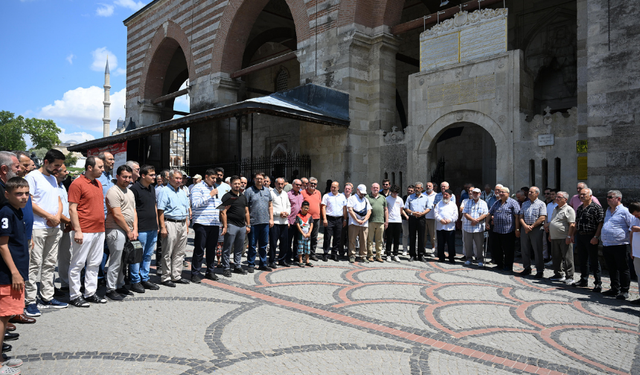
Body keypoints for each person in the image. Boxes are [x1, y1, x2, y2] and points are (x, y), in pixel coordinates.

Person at [24, 149, 67, 316]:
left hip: (53, 227)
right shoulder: (32, 177)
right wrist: (49, 216)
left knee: (49, 263)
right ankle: (30, 300)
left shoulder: (52, 179)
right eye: (56, 165)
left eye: (60, 166)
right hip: (38, 227)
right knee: (34, 264)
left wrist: (57, 217)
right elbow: (30, 201)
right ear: (46, 162)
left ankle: (47, 296)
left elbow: (57, 200)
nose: (58, 169)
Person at [0, 177, 31, 372]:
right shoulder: (6, 212)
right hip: (8, 275)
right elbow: (2, 245)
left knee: (6, 316)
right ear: (7, 194)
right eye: (19, 194)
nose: (24, 197)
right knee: (3, 318)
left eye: (26, 193)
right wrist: (15, 273)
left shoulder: (16, 212)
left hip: (15, 273)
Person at [68, 156, 108, 307]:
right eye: (100, 167)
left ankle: (90, 292)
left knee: (95, 263)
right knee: (78, 263)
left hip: (99, 229)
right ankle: (74, 295)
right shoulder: (77, 183)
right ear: (90, 168)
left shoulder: (97, 183)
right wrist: (77, 230)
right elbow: (72, 208)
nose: (103, 170)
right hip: (84, 230)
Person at [104, 165, 138, 300]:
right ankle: (110, 288)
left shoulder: (130, 192)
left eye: (129, 177)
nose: (127, 179)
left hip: (128, 230)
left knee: (124, 259)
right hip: (116, 229)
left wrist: (135, 229)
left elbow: (134, 211)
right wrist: (129, 230)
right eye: (124, 177)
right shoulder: (113, 191)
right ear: (117, 177)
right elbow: (117, 214)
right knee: (116, 260)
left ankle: (120, 284)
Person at [157, 169, 191, 287]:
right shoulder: (164, 191)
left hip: (182, 223)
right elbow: (160, 210)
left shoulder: (182, 192)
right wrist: (162, 227)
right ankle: (165, 276)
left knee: (180, 251)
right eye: (176, 178)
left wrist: (186, 225)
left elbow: (186, 210)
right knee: (168, 251)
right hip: (170, 223)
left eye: (180, 179)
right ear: (169, 178)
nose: (179, 181)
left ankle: (176, 275)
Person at [129, 165, 160, 291]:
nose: (154, 177)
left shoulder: (152, 188)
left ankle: (145, 278)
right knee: (137, 256)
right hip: (140, 228)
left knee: (148, 255)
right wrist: (134, 229)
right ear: (143, 175)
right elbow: (132, 210)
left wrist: (157, 224)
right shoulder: (134, 189)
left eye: (154, 174)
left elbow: (154, 207)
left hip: (152, 227)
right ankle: (135, 280)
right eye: (151, 175)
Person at [190, 169, 222, 283]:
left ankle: (210, 271)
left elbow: (214, 204)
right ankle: (195, 273)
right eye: (212, 178)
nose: (214, 180)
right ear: (206, 176)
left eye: (216, 178)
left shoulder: (213, 188)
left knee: (211, 249)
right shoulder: (197, 187)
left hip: (213, 223)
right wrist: (210, 195)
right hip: (202, 223)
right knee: (199, 249)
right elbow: (195, 204)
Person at [601, 190, 634, 300]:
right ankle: (615, 288)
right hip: (607, 244)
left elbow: (631, 227)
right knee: (611, 268)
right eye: (607, 197)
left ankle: (624, 290)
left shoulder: (625, 211)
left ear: (618, 199)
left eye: (610, 197)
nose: (608, 199)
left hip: (620, 244)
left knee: (623, 268)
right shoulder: (608, 210)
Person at [574, 188, 604, 291]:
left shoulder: (596, 208)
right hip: (581, 236)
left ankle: (598, 283)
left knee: (594, 260)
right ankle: (583, 280)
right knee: (582, 259)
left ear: (590, 196)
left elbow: (600, 223)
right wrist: (573, 235)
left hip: (591, 236)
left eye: (584, 195)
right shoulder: (579, 208)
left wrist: (596, 237)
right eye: (580, 195)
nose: (581, 196)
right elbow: (576, 222)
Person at [219, 176, 250, 277]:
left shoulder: (242, 196)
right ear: (231, 184)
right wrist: (225, 226)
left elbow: (246, 212)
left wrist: (248, 224)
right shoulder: (227, 197)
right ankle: (226, 267)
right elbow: (222, 212)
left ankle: (237, 266)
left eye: (239, 183)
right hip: (231, 224)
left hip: (242, 226)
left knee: (239, 247)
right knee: (228, 247)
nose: (237, 185)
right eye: (235, 183)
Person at [244, 172, 273, 272]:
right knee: (252, 245)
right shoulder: (249, 191)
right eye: (257, 178)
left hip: (265, 222)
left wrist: (271, 219)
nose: (259, 180)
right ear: (254, 179)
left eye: (261, 179)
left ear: (264, 180)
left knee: (263, 244)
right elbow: (246, 207)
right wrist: (247, 223)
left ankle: (263, 263)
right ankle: (251, 264)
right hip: (253, 222)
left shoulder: (267, 191)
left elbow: (270, 205)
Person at [487, 186, 520, 272]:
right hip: (497, 230)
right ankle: (499, 264)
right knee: (497, 249)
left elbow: (517, 216)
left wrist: (517, 229)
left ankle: (508, 266)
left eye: (503, 192)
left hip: (508, 231)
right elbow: (490, 213)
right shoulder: (497, 202)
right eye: (500, 192)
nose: (500, 193)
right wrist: (487, 222)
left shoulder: (513, 203)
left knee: (508, 250)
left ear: (508, 194)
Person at [545, 191, 576, 285]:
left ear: (565, 199)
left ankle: (569, 276)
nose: (556, 198)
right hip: (554, 237)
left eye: (559, 197)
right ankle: (558, 274)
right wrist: (550, 234)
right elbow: (553, 221)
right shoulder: (555, 209)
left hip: (564, 237)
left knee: (567, 258)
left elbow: (572, 224)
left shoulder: (569, 209)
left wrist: (569, 236)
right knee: (555, 257)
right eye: (556, 197)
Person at [518, 187, 547, 278]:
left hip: (536, 229)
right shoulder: (525, 203)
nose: (529, 193)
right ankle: (527, 268)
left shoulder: (541, 204)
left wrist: (532, 226)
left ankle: (539, 270)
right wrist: (525, 226)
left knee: (537, 250)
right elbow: (520, 216)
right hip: (525, 228)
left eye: (531, 192)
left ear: (537, 194)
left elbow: (542, 217)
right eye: (529, 192)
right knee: (524, 249)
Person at [53, 164, 72, 295]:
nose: (67, 173)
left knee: (66, 255)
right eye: (64, 171)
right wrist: (69, 221)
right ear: (56, 173)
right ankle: (50, 287)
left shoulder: (62, 185)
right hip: (55, 224)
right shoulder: (52, 187)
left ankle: (65, 283)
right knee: (52, 257)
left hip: (65, 224)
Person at [462, 188, 489, 267]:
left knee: (479, 245)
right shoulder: (468, 202)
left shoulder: (483, 203)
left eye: (476, 193)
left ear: (480, 194)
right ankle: (468, 259)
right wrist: (472, 220)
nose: (475, 194)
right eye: (473, 193)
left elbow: (485, 214)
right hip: (468, 227)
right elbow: (465, 213)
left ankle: (480, 259)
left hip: (479, 228)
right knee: (468, 245)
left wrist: (477, 220)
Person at [321, 181, 347, 262]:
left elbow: (344, 209)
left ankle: (334, 254)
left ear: (338, 188)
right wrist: (324, 219)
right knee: (327, 237)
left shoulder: (342, 196)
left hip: (339, 219)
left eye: (335, 187)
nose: (333, 188)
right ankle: (325, 253)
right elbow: (323, 207)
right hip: (329, 218)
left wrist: (345, 219)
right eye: (332, 187)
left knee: (337, 237)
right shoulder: (326, 196)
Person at [404, 182, 430, 262]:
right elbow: (406, 208)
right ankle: (412, 255)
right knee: (412, 236)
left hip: (421, 218)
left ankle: (421, 255)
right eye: (416, 188)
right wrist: (412, 213)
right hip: (412, 218)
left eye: (418, 188)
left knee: (421, 236)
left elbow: (429, 208)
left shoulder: (425, 198)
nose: (416, 189)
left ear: (422, 189)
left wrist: (422, 213)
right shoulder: (410, 197)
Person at [347, 184, 371, 263]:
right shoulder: (352, 198)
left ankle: (363, 255)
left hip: (364, 224)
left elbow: (369, 211)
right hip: (354, 223)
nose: (362, 195)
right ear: (357, 190)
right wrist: (357, 220)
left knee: (363, 240)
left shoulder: (366, 199)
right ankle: (352, 255)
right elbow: (350, 210)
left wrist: (364, 220)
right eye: (361, 193)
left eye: (364, 193)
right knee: (352, 240)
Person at [270, 178, 291, 268]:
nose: (280, 186)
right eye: (279, 184)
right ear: (275, 184)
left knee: (284, 243)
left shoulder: (285, 194)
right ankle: (271, 261)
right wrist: (279, 213)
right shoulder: (271, 193)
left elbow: (288, 205)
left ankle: (282, 260)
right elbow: (269, 208)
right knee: (273, 243)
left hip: (284, 222)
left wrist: (287, 213)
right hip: (275, 222)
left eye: (282, 184)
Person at [434, 189, 458, 263]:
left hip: (450, 227)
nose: (445, 196)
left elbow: (456, 215)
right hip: (440, 227)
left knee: (451, 243)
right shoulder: (439, 204)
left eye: (446, 195)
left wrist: (449, 220)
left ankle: (451, 258)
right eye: (444, 194)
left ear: (450, 196)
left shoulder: (453, 205)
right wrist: (440, 220)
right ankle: (441, 257)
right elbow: (436, 213)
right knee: (440, 243)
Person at [301, 177, 322, 261]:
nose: (313, 185)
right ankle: (303, 254)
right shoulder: (302, 193)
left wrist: (321, 217)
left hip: (316, 218)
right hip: (306, 218)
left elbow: (320, 205)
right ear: (308, 184)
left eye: (315, 184)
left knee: (314, 237)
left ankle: (312, 254)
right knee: (305, 237)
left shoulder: (318, 193)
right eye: (311, 183)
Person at [366, 183, 388, 262]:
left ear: (379, 189)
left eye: (377, 188)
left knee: (379, 240)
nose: (375, 189)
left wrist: (386, 221)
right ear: (371, 188)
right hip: (370, 221)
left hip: (381, 221)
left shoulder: (382, 198)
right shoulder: (367, 197)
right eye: (374, 188)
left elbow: (386, 209)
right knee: (370, 240)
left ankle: (378, 255)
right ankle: (370, 255)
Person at [285, 179, 304, 265]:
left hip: (298, 222)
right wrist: (287, 220)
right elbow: (285, 207)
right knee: (288, 241)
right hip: (290, 221)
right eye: (297, 185)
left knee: (297, 240)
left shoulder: (301, 195)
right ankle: (288, 257)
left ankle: (296, 256)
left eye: (300, 185)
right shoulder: (288, 194)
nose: (298, 186)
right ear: (293, 185)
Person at [386, 185, 406, 262]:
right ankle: (388, 254)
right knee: (389, 239)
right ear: (391, 192)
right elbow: (386, 210)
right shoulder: (387, 199)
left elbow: (401, 210)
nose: (395, 194)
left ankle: (395, 254)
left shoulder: (400, 199)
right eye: (394, 193)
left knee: (397, 239)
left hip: (398, 221)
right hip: (390, 221)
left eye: (396, 193)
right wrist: (386, 220)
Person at [295, 201, 314, 267]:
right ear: (301, 208)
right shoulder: (298, 216)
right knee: (300, 248)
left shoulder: (309, 216)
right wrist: (302, 233)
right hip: (301, 236)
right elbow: (297, 225)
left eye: (307, 208)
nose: (306, 209)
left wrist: (309, 233)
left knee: (307, 249)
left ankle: (307, 261)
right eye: (305, 208)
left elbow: (311, 225)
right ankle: (300, 260)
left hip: (308, 236)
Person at [629, 203, 640, 304]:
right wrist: (632, 249)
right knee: (639, 276)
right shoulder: (634, 218)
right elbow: (631, 233)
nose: (635, 216)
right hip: (637, 252)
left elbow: (636, 229)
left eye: (637, 214)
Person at [423, 182, 437, 255]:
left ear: (433, 187)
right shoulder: (422, 195)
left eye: (429, 186)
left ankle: (433, 248)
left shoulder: (436, 195)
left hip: (432, 217)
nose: (428, 187)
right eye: (427, 186)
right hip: (423, 217)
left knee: (433, 235)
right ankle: (423, 248)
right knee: (423, 234)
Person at [401, 185, 414, 256]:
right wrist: (406, 216)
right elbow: (402, 208)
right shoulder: (404, 198)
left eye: (411, 191)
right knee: (405, 234)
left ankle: (413, 249)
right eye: (409, 190)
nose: (410, 192)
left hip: (414, 219)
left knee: (414, 235)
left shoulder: (415, 198)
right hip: (405, 218)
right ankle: (404, 249)